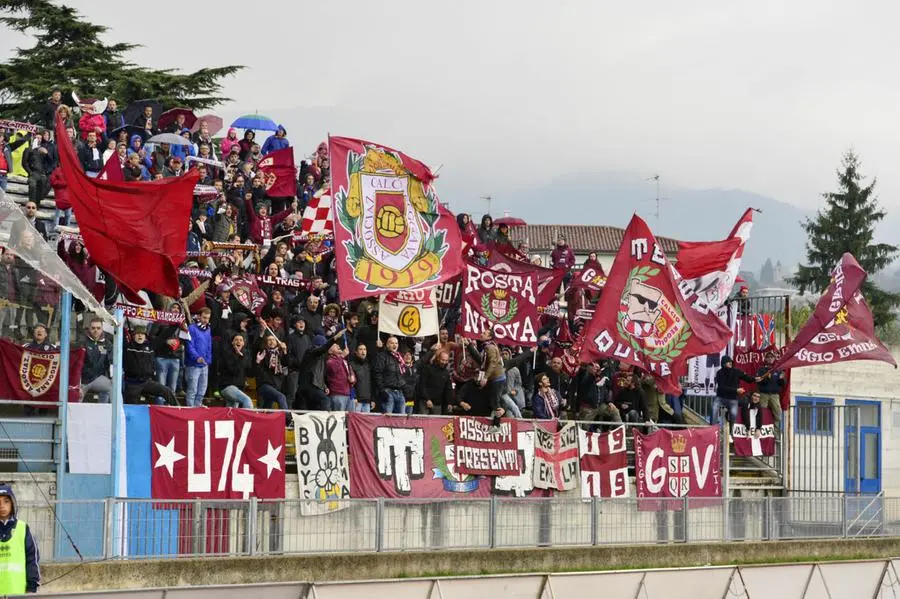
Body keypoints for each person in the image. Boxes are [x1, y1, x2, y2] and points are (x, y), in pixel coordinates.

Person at [0, 484, 40, 594]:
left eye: (6, 501)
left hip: (17, 592)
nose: (2, 506)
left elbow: (32, 559)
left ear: (13, 503)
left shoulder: (22, 528)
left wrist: (32, 586)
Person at [123, 326, 177, 405]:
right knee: (133, 406)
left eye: (142, 334)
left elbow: (164, 335)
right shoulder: (127, 347)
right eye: (137, 334)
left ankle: (179, 411)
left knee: (167, 391)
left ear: (145, 336)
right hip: (132, 384)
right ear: (133, 336)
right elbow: (121, 334)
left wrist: (176, 324)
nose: (140, 336)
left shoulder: (151, 345)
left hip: (147, 382)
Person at [713, 355, 755, 425]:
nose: (730, 363)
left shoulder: (736, 371)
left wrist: (755, 378)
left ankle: (731, 432)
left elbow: (747, 378)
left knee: (733, 414)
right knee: (714, 409)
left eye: (731, 362)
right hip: (720, 397)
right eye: (728, 362)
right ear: (723, 363)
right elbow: (722, 387)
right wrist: (736, 390)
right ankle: (713, 428)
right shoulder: (719, 373)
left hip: (732, 398)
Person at [184, 308, 213, 407]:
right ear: (199, 316)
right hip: (193, 364)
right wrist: (197, 357)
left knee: (202, 389)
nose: (206, 320)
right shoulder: (191, 328)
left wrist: (208, 360)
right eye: (204, 317)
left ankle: (197, 406)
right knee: (192, 390)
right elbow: (189, 345)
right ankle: (190, 409)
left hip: (204, 365)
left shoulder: (208, 329)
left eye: (208, 318)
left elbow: (209, 345)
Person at [80, 317, 112, 403]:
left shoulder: (107, 344)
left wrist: (110, 377)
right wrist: (78, 382)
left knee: (112, 388)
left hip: (98, 378)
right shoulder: (83, 342)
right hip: (83, 380)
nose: (96, 330)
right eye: (93, 328)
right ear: (89, 329)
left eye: (98, 328)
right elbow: (77, 363)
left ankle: (103, 412)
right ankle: (72, 416)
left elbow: (111, 362)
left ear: (102, 329)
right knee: (76, 397)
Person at [254, 332, 290, 411]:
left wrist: (285, 351)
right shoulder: (263, 352)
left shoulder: (280, 354)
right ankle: (288, 419)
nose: (271, 341)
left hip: (276, 385)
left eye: (273, 340)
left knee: (268, 407)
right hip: (264, 384)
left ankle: (263, 421)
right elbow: (256, 347)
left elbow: (287, 364)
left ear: (277, 342)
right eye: (269, 340)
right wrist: (258, 361)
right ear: (266, 343)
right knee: (281, 397)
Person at [218, 333, 253, 409]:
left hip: (238, 388)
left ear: (243, 343)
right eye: (236, 340)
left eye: (241, 340)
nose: (238, 342)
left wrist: (257, 362)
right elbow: (234, 371)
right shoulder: (227, 354)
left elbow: (250, 372)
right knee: (246, 400)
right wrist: (240, 357)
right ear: (232, 342)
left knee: (232, 410)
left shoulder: (245, 354)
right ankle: (251, 420)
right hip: (227, 386)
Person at [374, 336, 407, 414]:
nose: (394, 345)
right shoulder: (382, 356)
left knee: (401, 420)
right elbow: (378, 374)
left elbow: (403, 374)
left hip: (400, 392)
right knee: (387, 420)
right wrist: (382, 390)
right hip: (388, 391)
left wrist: (404, 387)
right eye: (392, 343)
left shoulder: (399, 357)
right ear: (387, 345)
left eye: (396, 343)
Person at [755, 351, 785, 433]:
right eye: (768, 357)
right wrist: (766, 378)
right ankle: (761, 432)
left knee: (778, 414)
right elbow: (758, 381)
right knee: (762, 413)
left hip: (774, 395)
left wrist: (781, 379)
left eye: (772, 357)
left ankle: (775, 434)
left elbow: (782, 385)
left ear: (774, 358)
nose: (770, 358)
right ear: (765, 359)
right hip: (763, 394)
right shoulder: (761, 369)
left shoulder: (778, 369)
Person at [417, 349, 452, 415]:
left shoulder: (446, 373)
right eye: (442, 360)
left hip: (437, 404)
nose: (444, 362)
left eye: (446, 360)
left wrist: (449, 403)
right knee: (422, 423)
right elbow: (422, 385)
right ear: (438, 358)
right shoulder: (428, 368)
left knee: (436, 424)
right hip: (425, 402)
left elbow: (448, 389)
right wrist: (427, 399)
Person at [324, 342, 355, 411]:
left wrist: (353, 378)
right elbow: (333, 368)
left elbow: (352, 373)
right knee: (339, 419)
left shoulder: (344, 361)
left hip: (349, 395)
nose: (338, 345)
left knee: (350, 419)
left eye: (338, 345)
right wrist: (342, 355)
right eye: (334, 345)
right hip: (337, 395)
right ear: (330, 350)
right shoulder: (329, 361)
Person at [350, 344, 374, 412]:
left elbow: (371, 383)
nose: (363, 351)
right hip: (356, 401)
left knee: (366, 422)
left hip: (367, 402)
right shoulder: (351, 364)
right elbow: (350, 383)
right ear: (356, 352)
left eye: (364, 349)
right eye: (360, 349)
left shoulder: (368, 365)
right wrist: (353, 397)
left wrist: (372, 399)